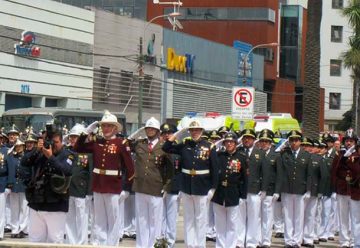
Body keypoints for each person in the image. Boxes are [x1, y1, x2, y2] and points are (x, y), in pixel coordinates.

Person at [74, 110, 134, 246]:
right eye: (103, 126)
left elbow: (130, 168)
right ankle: (101, 244)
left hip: (113, 187)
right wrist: (86, 132)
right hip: (98, 185)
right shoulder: (97, 142)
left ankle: (112, 245)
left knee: (113, 220)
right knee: (99, 220)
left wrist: (127, 188)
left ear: (114, 128)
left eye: (108, 126)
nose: (105, 128)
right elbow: (78, 147)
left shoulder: (121, 143)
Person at [162, 120, 218, 248]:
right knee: (188, 218)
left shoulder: (209, 146)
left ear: (201, 131)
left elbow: (215, 169)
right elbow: (166, 147)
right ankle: (190, 245)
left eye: (197, 130)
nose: (194, 132)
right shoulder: (184, 145)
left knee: (200, 219)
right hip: (187, 186)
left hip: (202, 186)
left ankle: (199, 245)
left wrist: (213, 188)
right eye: (192, 130)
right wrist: (179, 132)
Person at [20, 129, 75, 243]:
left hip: (56, 205)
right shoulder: (40, 153)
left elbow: (67, 170)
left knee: (55, 241)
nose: (51, 145)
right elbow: (24, 162)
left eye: (55, 142)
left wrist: (51, 157)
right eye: (48, 142)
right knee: (35, 241)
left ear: (62, 142)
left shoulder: (68, 155)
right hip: (36, 203)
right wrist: (37, 150)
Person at [131, 117, 174, 248]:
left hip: (156, 187)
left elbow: (171, 169)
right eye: (148, 128)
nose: (149, 131)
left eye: (152, 129)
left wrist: (167, 186)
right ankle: (141, 245)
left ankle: (153, 246)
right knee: (141, 220)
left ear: (157, 131)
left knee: (155, 221)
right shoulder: (139, 144)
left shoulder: (163, 146)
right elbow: (125, 143)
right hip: (140, 186)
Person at [212, 132, 247, 248]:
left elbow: (245, 178)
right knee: (220, 224)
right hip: (219, 194)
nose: (229, 144)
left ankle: (230, 246)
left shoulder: (242, 157)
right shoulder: (219, 156)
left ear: (236, 143)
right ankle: (220, 246)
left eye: (231, 142)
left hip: (233, 194)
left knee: (232, 224)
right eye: (227, 142)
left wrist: (243, 196)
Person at [279, 130, 311, 248]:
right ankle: (288, 241)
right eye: (291, 140)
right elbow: (281, 171)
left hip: (300, 190)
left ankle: (297, 241)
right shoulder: (284, 154)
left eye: (296, 140)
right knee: (287, 216)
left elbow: (309, 174)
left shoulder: (306, 155)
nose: (293, 143)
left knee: (299, 217)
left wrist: (308, 190)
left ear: (300, 141)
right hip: (287, 189)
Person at [239, 128, 266, 248]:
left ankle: (251, 242)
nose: (246, 140)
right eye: (245, 137)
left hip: (255, 190)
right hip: (240, 190)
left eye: (249, 138)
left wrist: (263, 189)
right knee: (239, 217)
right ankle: (239, 241)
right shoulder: (238, 151)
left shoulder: (260, 153)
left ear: (254, 140)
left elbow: (265, 173)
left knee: (254, 217)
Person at [331, 129, 358, 247]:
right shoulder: (339, 154)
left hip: (354, 190)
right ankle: (344, 241)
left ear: (355, 142)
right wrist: (335, 187)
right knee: (343, 217)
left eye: (351, 141)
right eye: (347, 140)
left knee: (355, 217)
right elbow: (334, 172)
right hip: (342, 189)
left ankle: (354, 240)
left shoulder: (358, 154)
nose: (349, 143)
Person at [65, 124, 90, 245]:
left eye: (75, 137)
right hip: (69, 189)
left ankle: (81, 243)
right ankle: (71, 241)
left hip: (82, 191)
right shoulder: (67, 151)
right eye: (71, 137)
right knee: (69, 218)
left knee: (82, 218)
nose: (73, 139)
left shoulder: (88, 152)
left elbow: (90, 173)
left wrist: (90, 192)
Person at [258, 129, 282, 248]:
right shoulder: (256, 154)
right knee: (257, 217)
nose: (264, 143)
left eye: (266, 141)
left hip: (270, 190)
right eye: (262, 141)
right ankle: (257, 239)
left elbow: (279, 175)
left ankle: (266, 240)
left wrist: (277, 191)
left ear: (271, 143)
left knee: (267, 217)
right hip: (257, 190)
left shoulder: (276, 156)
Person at [302, 140, 329, 248]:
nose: (305, 147)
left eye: (307, 145)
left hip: (313, 191)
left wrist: (320, 191)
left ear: (311, 147)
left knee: (310, 215)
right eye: (303, 145)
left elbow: (324, 176)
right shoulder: (297, 158)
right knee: (298, 216)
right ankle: (299, 237)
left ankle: (308, 238)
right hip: (299, 190)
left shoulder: (318, 159)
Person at [160, 123, 181, 248]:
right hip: (158, 186)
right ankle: (160, 240)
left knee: (171, 217)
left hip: (174, 187)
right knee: (159, 217)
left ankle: (169, 243)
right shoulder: (158, 148)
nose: (167, 135)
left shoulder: (178, 148)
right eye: (164, 133)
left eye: (169, 133)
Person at [6, 139, 28, 239]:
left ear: (23, 147)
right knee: (14, 208)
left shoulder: (26, 157)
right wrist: (10, 183)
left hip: (23, 185)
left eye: (20, 146)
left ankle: (23, 228)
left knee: (24, 208)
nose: (19, 148)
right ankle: (14, 229)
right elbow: (10, 171)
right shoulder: (12, 158)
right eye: (17, 146)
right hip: (15, 185)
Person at [318, 133, 338, 242]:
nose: (327, 144)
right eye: (325, 142)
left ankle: (328, 232)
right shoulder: (321, 154)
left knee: (330, 211)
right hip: (322, 187)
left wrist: (335, 189)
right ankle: (324, 231)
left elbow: (336, 173)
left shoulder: (336, 155)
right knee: (323, 211)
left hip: (331, 187)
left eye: (328, 142)